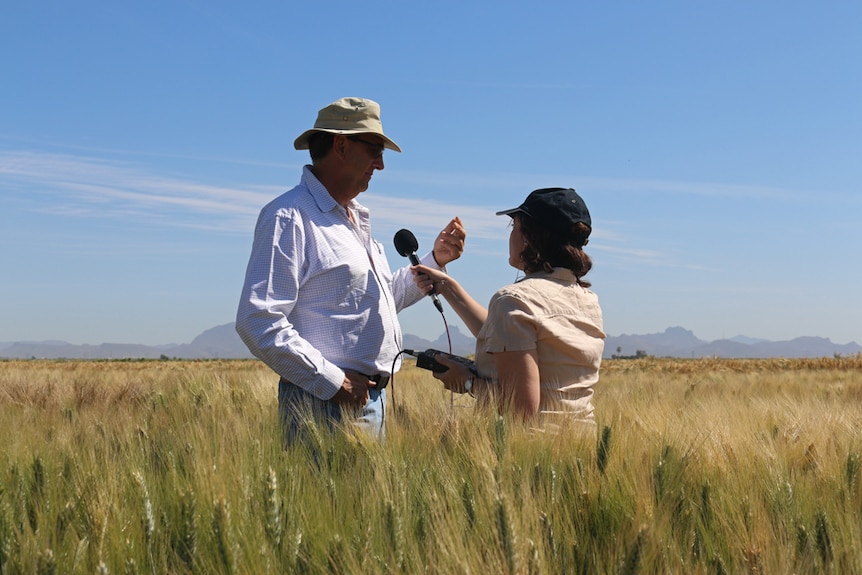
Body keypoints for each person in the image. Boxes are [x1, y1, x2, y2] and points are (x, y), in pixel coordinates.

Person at [235, 97, 465, 443]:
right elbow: (258, 320)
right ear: (341, 145)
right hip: (325, 407)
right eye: (374, 149)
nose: (381, 164)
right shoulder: (289, 216)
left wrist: (435, 259)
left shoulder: (353, 218)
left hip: (369, 401)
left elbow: (378, 299)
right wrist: (333, 382)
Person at [411, 187, 604, 432]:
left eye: (514, 227)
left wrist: (467, 383)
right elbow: (508, 337)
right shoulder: (588, 300)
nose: (511, 236)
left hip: (528, 451)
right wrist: (449, 288)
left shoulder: (513, 300)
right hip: (581, 449)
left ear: (529, 238)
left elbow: (521, 411)